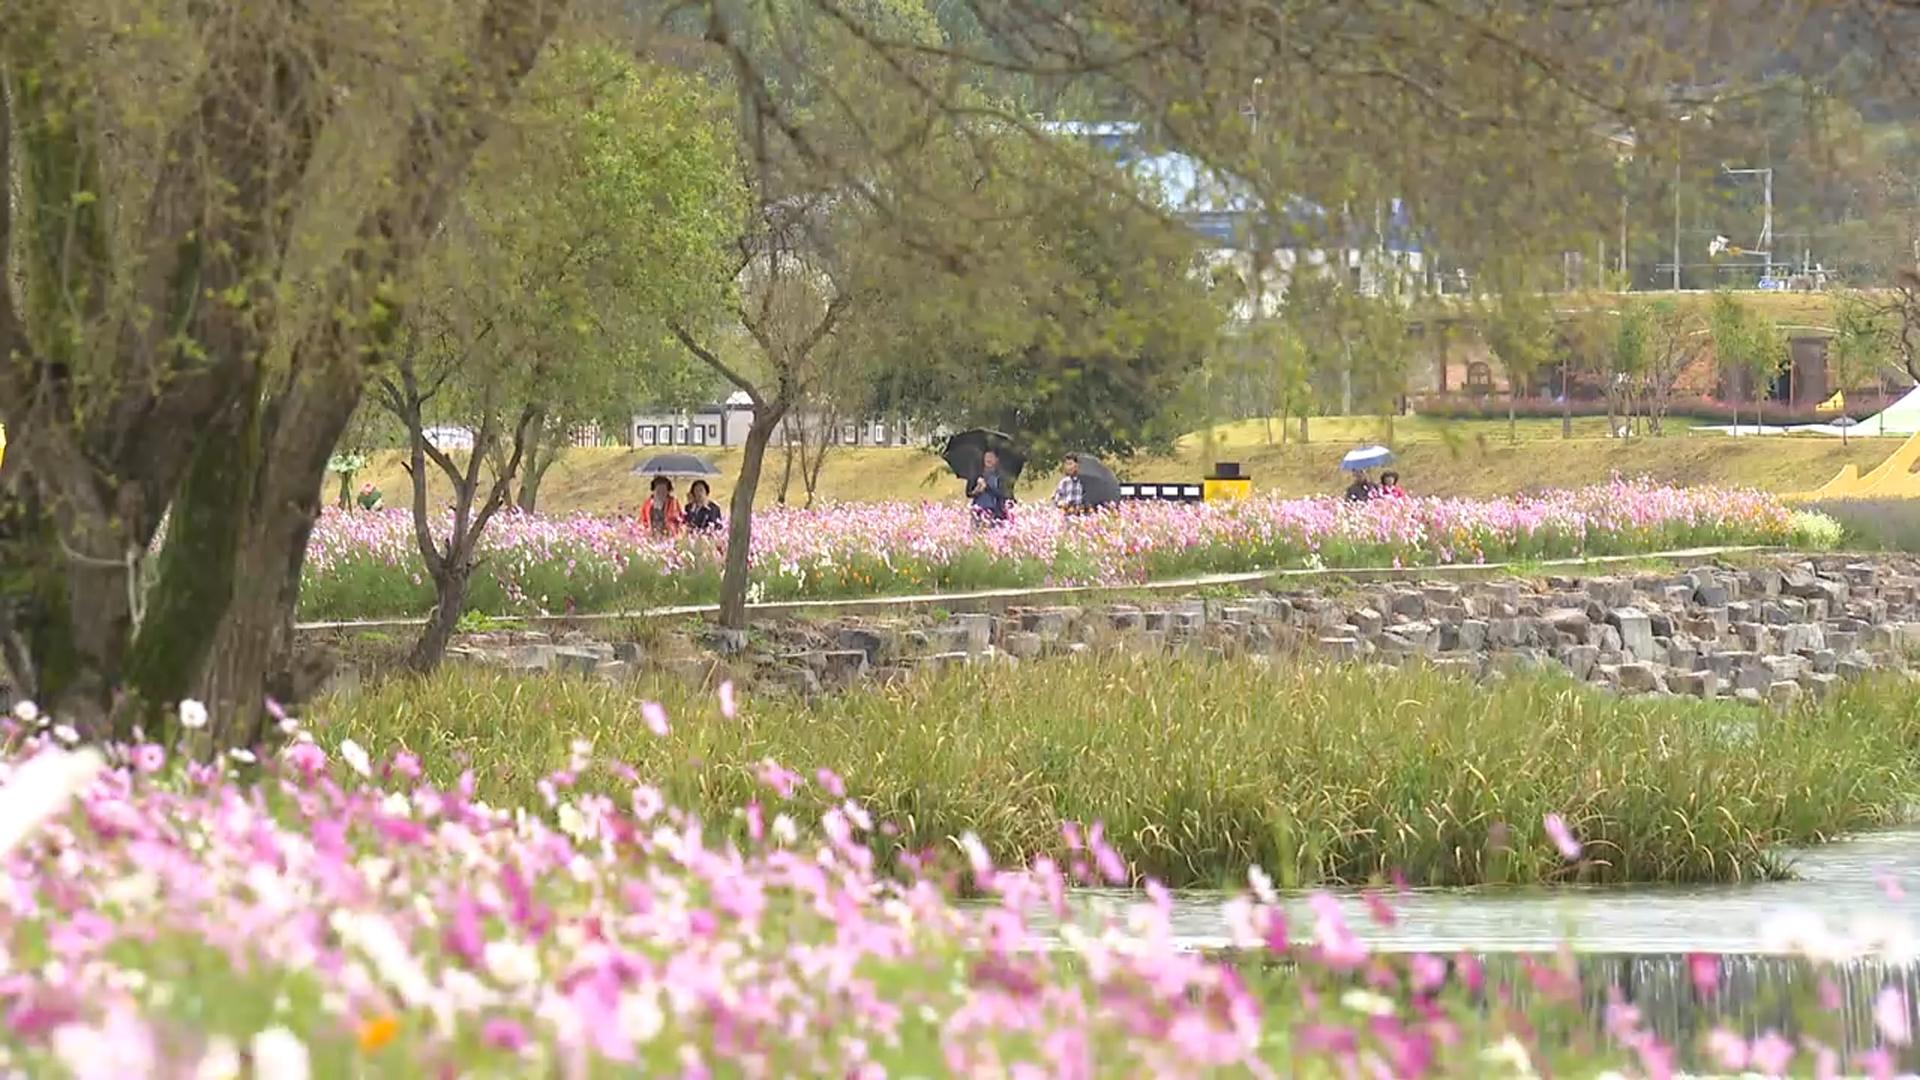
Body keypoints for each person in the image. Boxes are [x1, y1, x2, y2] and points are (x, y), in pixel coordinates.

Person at [968, 449, 1011, 523]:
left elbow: (1004, 494)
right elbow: (969, 493)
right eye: (987, 456)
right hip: (978, 511)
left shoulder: (1000, 476)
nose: (988, 459)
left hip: (994, 511)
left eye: (991, 457)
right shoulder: (977, 475)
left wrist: (986, 487)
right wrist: (977, 490)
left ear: (996, 460)